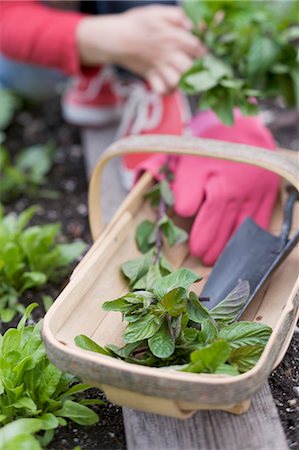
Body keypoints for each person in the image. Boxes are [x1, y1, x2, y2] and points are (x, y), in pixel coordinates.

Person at [0, 0, 280, 265]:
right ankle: (116, 66)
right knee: (22, 75)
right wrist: (103, 38)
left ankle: (145, 69)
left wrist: (230, 107)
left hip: (153, 18)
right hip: (39, 42)